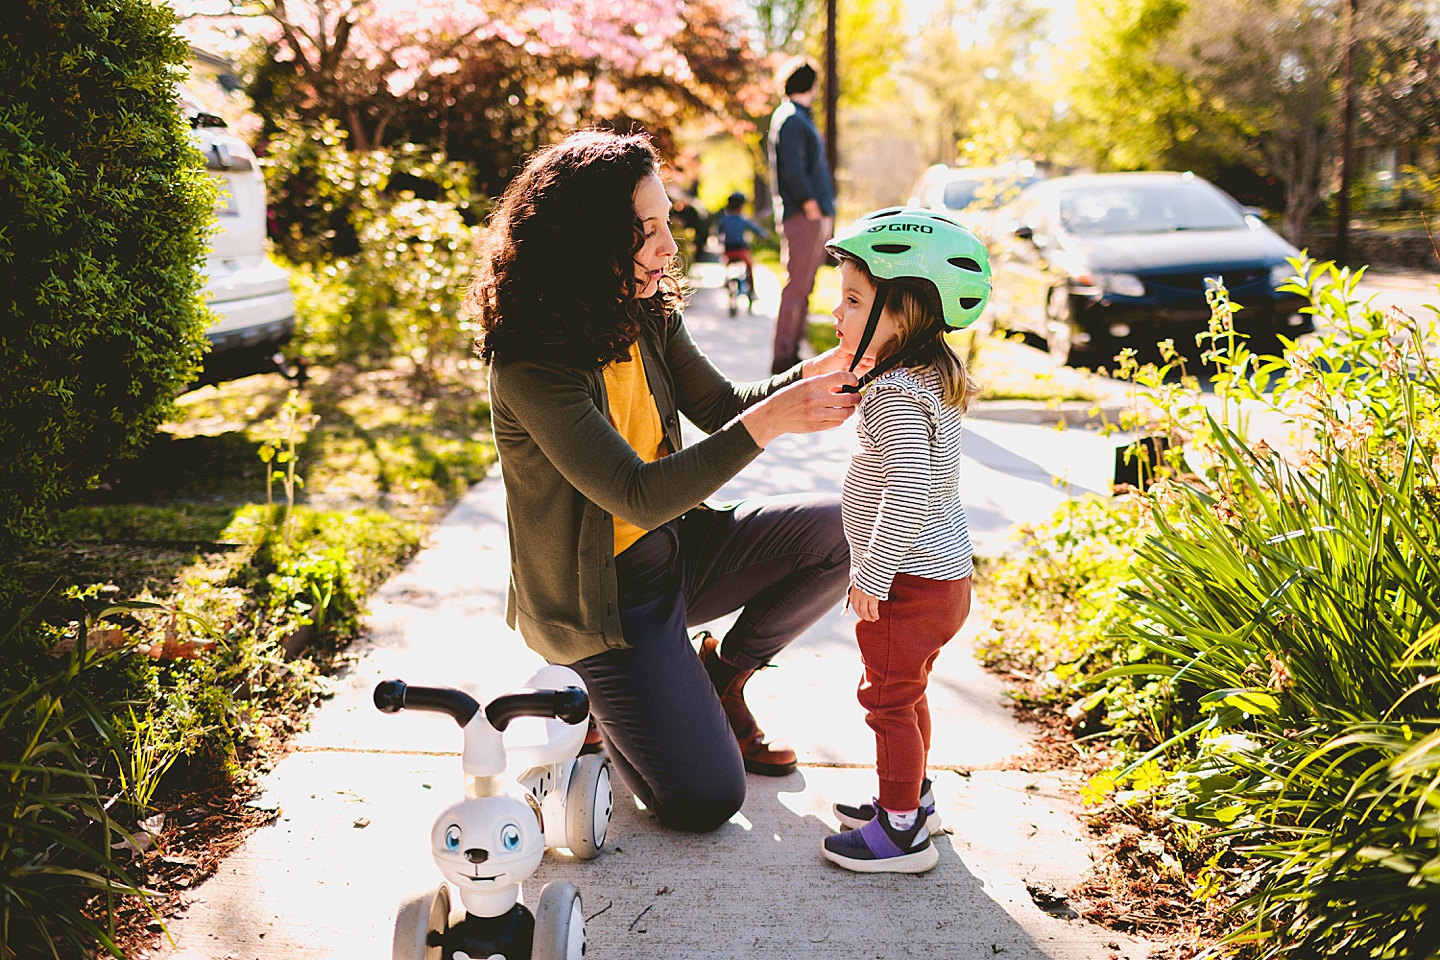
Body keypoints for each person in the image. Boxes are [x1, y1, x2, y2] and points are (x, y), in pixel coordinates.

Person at [468, 129, 874, 834]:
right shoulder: (532, 362)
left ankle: (719, 678)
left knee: (848, 531)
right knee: (705, 801)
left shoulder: (644, 310)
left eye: (666, 224)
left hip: (677, 549)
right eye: (645, 230)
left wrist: (809, 377)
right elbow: (635, 493)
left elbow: (719, 406)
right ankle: (599, 699)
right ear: (588, 240)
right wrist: (775, 420)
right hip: (605, 605)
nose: (668, 248)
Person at [815, 207, 993, 874]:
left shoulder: (892, 395)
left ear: (906, 313)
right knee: (907, 692)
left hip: (909, 583)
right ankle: (912, 798)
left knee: (886, 699)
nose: (838, 311)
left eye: (855, 299)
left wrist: (872, 576)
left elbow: (908, 491)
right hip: (942, 578)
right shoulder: (927, 377)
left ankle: (900, 835)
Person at [768, 58, 835, 375]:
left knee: (804, 287)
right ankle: (783, 360)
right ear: (810, 85)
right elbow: (794, 171)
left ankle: (792, 354)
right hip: (804, 216)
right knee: (797, 287)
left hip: (811, 215)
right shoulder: (792, 119)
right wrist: (812, 208)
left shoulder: (796, 117)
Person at [715, 191, 768, 302]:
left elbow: (718, 233)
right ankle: (752, 291)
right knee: (750, 267)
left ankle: (726, 281)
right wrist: (764, 236)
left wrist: (720, 241)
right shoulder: (742, 220)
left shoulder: (724, 220)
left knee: (727, 264)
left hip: (728, 250)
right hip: (741, 250)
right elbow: (757, 231)